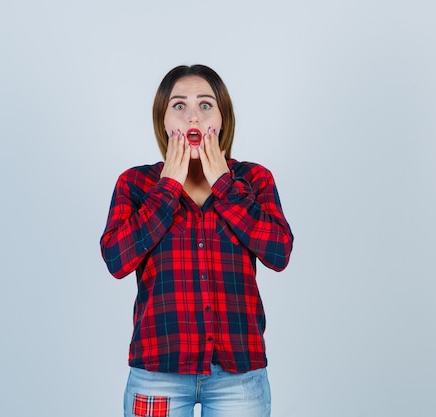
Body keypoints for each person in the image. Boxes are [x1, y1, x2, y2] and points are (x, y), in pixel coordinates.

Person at [100, 64, 294, 417]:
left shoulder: (253, 179)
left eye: (206, 105)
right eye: (179, 105)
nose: (193, 116)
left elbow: (278, 252)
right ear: (164, 120)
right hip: (158, 373)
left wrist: (224, 185)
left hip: (240, 377)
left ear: (222, 117)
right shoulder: (135, 184)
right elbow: (116, 259)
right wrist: (168, 188)